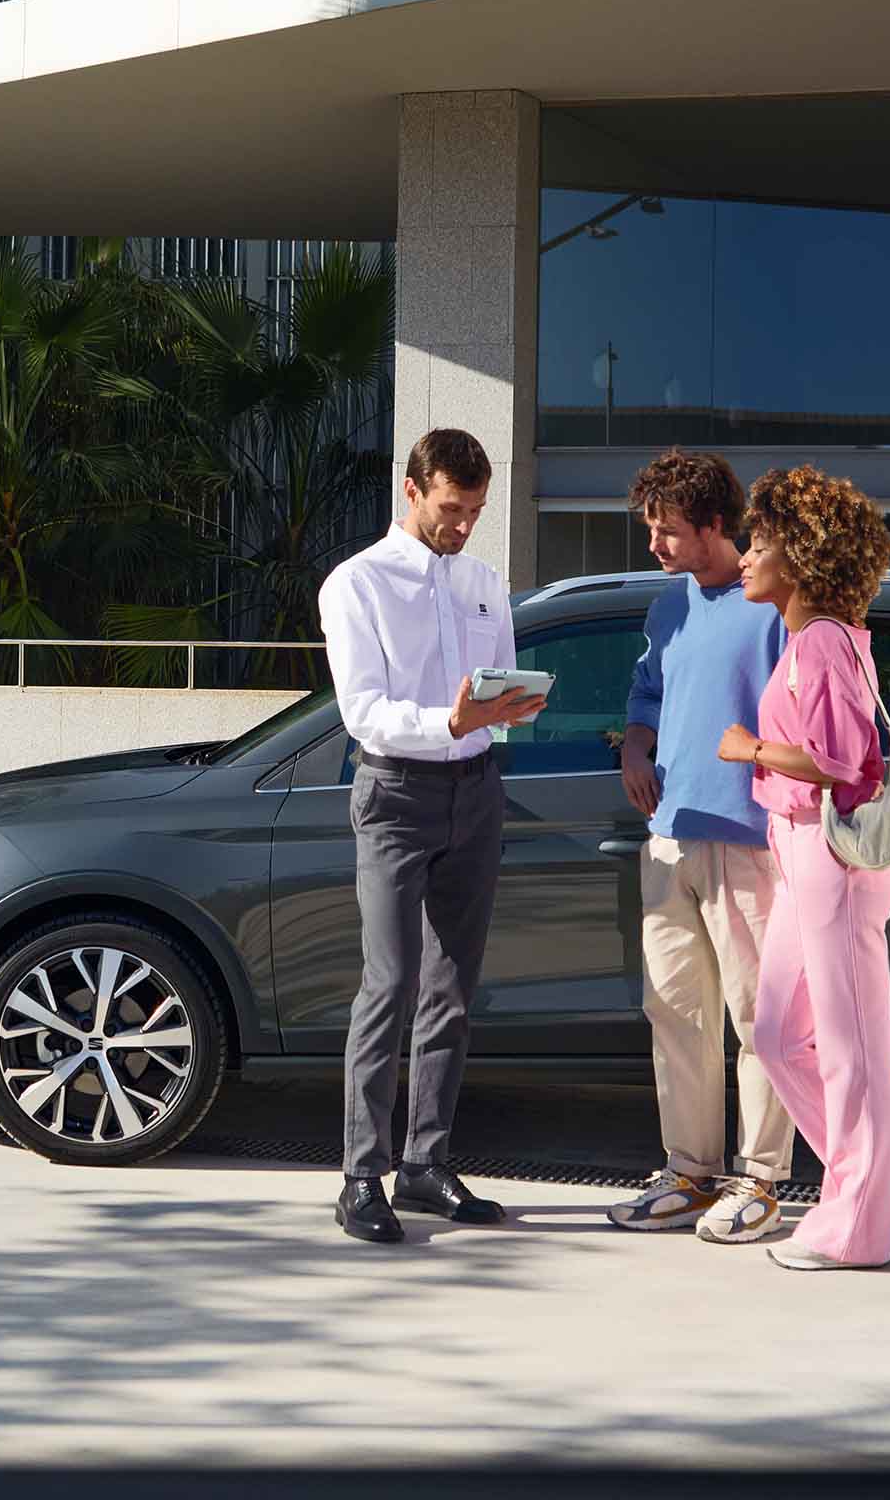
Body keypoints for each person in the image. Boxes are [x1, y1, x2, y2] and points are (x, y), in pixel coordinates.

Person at [715, 465, 890, 1271]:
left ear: (803, 556)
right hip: (802, 858)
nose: (745, 557)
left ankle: (856, 1226)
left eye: (760, 543)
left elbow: (844, 762)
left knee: (853, 1049)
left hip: (833, 858)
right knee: (781, 1036)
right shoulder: (817, 639)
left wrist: (748, 747)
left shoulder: (820, 640)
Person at [315, 427, 548, 1244]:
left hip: (477, 793)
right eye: (452, 508)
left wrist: (512, 707)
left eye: (476, 511)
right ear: (410, 490)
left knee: (453, 990)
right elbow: (363, 713)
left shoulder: (486, 582)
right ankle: (359, 1177)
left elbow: (501, 701)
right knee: (390, 982)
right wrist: (449, 719)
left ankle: (425, 1164)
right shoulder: (356, 584)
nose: (464, 525)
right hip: (395, 795)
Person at [604, 451, 796, 1244]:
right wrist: (634, 749)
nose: (655, 544)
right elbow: (646, 694)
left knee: (759, 1017)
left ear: (716, 525)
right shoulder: (667, 607)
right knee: (676, 1011)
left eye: (669, 531)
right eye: (650, 528)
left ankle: (762, 1179)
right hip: (668, 838)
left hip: (750, 840)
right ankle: (689, 1172)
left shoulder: (774, 603)